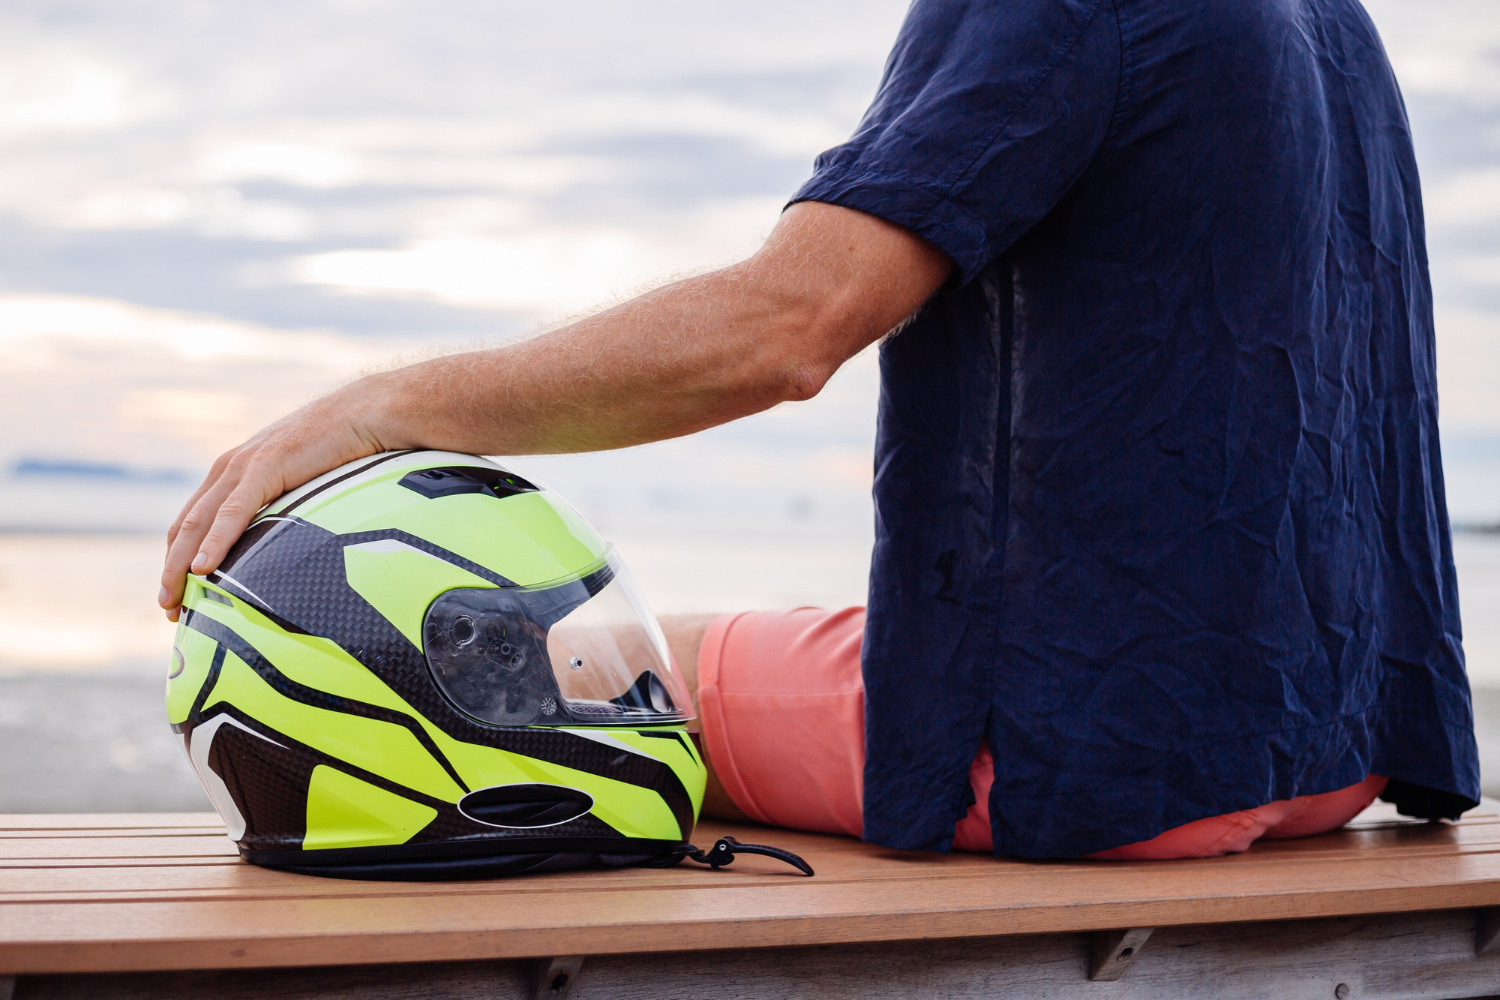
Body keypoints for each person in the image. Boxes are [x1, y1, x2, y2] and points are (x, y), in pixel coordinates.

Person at [160, 0, 1479, 860]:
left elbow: (784, 330)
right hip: (1329, 742)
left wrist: (373, 408)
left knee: (567, 671)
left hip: (1109, 753)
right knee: (687, 642)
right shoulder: (1331, 26)